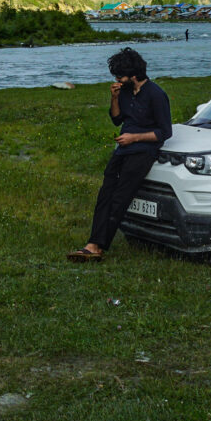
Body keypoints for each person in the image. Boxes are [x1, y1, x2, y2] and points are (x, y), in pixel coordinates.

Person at [67, 47, 172, 262]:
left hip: (143, 152)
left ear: (134, 75)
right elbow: (117, 119)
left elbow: (164, 132)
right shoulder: (124, 92)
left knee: (120, 198)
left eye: (120, 76)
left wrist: (134, 138)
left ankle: (97, 246)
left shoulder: (156, 95)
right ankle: (92, 243)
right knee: (105, 194)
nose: (117, 79)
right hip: (123, 149)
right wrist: (113, 98)